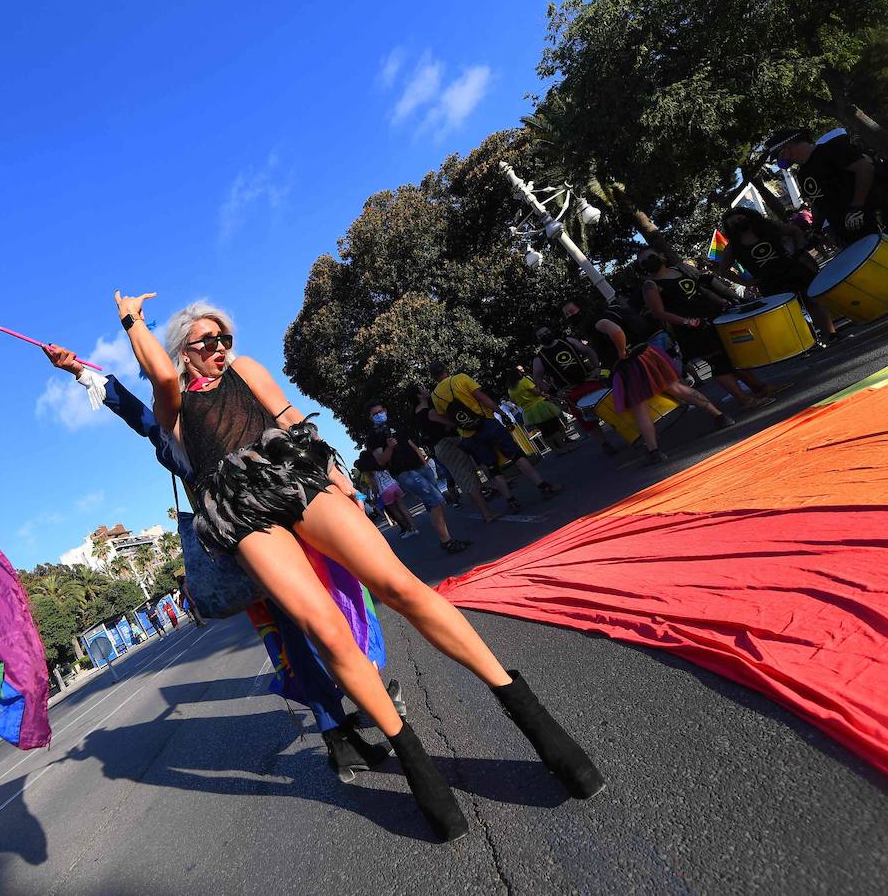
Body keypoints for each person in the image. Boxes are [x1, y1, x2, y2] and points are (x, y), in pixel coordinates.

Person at [118, 291, 604, 841]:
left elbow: (289, 417)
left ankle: (535, 722)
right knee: (326, 631)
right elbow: (157, 375)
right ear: (185, 352)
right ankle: (414, 758)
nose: (220, 348)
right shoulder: (173, 404)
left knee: (401, 586)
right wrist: (132, 320)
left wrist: (338, 473)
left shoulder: (246, 369)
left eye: (225, 338)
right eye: (207, 342)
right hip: (240, 511)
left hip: (296, 477)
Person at [42, 343, 392, 782]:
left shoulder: (229, 404)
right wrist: (80, 370)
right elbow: (138, 413)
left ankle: (341, 729)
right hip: (255, 544)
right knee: (311, 629)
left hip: (278, 534)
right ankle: (354, 715)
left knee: (312, 626)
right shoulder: (175, 436)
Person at [564, 297, 734, 464]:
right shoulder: (610, 312)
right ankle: (719, 415)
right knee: (677, 388)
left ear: (583, 308)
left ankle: (654, 450)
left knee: (640, 407)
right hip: (646, 355)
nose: (570, 316)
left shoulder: (598, 322)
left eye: (571, 312)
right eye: (567, 314)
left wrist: (621, 352)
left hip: (630, 364)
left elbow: (616, 332)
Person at [635, 247, 774, 409]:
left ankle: (761, 389)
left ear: (661, 256)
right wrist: (688, 322)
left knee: (732, 357)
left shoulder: (680, 270)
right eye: (643, 262)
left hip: (712, 318)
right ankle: (745, 400)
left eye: (651, 257)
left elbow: (701, 289)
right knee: (718, 364)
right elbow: (659, 313)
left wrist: (722, 301)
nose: (649, 262)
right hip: (692, 329)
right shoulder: (650, 285)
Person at [764, 127, 888, 254]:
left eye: (779, 156)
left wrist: (857, 206)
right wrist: (816, 229)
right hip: (853, 232)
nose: (781, 161)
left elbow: (864, 169)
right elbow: (818, 202)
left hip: (879, 216)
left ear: (787, 148)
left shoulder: (831, 150)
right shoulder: (802, 174)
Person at [429, 361, 564, 514]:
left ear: (433, 377)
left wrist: (460, 425)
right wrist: (501, 413)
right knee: (516, 455)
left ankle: (511, 501)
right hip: (486, 422)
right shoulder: (460, 378)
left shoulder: (435, 396)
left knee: (492, 468)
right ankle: (543, 486)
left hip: (469, 434)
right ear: (446, 369)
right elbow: (481, 398)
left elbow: (446, 417)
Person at [357, 400, 469, 554]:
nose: (379, 415)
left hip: (420, 467)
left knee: (434, 503)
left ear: (385, 410)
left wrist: (425, 464)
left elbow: (411, 444)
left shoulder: (396, 425)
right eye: (375, 414)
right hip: (404, 472)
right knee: (435, 499)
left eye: (380, 411)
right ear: (370, 417)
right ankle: (447, 541)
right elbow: (381, 460)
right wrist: (389, 447)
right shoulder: (373, 436)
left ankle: (447, 538)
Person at [711, 206, 838, 341]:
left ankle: (830, 334)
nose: (738, 222)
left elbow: (794, 231)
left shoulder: (768, 227)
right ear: (729, 227)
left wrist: (800, 250)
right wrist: (746, 282)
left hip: (793, 269)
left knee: (812, 302)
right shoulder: (733, 247)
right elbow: (724, 271)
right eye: (733, 222)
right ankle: (811, 342)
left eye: (740, 218)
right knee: (790, 312)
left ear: (748, 217)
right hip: (769, 282)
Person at [410, 384, 498, 522]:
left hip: (441, 448)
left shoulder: (417, 414)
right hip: (448, 444)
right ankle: (487, 514)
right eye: (423, 389)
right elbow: (452, 422)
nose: (427, 390)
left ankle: (486, 511)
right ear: (419, 395)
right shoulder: (428, 412)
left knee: (465, 478)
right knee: (468, 479)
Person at [529, 327, 618, 456]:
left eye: (547, 332)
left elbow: (587, 350)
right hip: (571, 391)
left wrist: (597, 368)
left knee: (610, 409)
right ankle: (604, 444)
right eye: (541, 335)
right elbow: (537, 378)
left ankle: (626, 430)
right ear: (538, 340)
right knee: (588, 421)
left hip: (589, 381)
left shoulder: (568, 341)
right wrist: (555, 393)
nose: (545, 335)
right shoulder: (540, 358)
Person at [508, 370, 570, 452]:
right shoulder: (524, 381)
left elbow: (514, 402)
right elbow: (536, 393)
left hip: (529, 412)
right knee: (554, 426)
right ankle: (564, 447)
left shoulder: (510, 390)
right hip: (540, 406)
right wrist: (543, 393)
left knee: (544, 431)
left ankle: (555, 450)